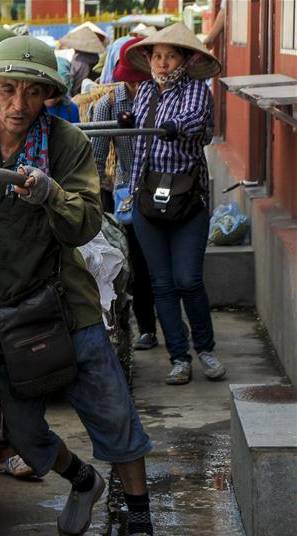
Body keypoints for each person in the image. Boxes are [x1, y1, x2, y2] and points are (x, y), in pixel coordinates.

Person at [0, 36, 156, 536]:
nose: (18, 105)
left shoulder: (67, 143)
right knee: (19, 430)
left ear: (47, 96)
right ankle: (82, 479)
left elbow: (86, 221)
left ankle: (141, 518)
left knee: (113, 415)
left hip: (65, 304)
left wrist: (50, 195)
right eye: (7, 90)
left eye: (32, 92)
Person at [125, 24, 225, 385]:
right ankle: (179, 358)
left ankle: (206, 349)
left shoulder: (196, 90)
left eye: (170, 56)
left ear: (184, 59)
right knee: (161, 284)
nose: (163, 63)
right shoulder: (144, 92)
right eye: (157, 56)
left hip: (188, 200)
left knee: (188, 279)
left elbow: (196, 124)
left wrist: (170, 126)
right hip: (147, 199)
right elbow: (136, 145)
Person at [91, 37, 158, 351]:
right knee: (140, 264)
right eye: (131, 81)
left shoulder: (162, 98)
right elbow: (96, 157)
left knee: (163, 266)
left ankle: (169, 323)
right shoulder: (108, 104)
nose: (136, 87)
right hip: (128, 194)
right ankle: (146, 327)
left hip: (164, 190)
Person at [59, 27, 105, 96]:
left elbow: (72, 80)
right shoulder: (96, 57)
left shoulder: (78, 60)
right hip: (95, 94)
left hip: (79, 96)